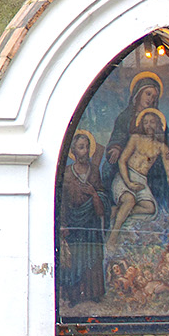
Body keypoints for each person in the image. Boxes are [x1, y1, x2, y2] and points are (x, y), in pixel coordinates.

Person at [104, 70, 169, 210]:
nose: (150, 99)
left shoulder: (156, 117)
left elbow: (168, 138)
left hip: (150, 163)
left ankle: (163, 208)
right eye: (148, 94)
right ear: (138, 93)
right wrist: (115, 148)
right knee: (107, 170)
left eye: (154, 96)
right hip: (128, 162)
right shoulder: (125, 117)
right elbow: (118, 136)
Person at [106, 107, 169, 250]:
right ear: (141, 125)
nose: (149, 125)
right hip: (125, 176)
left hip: (141, 181)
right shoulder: (135, 138)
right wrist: (129, 183)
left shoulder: (161, 147)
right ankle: (113, 237)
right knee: (130, 200)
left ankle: (118, 211)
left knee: (150, 208)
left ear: (158, 124)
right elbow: (122, 161)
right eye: (145, 122)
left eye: (152, 122)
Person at [57, 130, 108, 304]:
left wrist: (94, 194)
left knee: (93, 256)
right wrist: (63, 224)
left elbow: (102, 196)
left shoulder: (94, 171)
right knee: (75, 259)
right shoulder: (68, 173)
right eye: (81, 147)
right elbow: (62, 200)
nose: (84, 151)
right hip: (73, 222)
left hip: (91, 222)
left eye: (87, 147)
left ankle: (94, 293)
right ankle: (74, 296)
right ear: (73, 151)